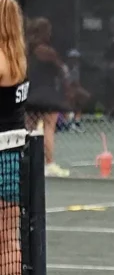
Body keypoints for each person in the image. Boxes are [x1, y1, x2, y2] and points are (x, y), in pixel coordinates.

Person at [0, 0, 28, 275]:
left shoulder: (3, 59)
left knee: (7, 239)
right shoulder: (18, 56)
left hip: (3, 155)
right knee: (8, 238)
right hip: (13, 152)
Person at [24, 18, 69, 177]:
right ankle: (49, 163)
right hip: (46, 94)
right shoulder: (47, 51)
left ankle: (23, 160)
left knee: (29, 127)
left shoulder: (25, 49)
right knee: (49, 126)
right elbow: (62, 69)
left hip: (30, 92)